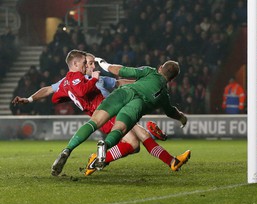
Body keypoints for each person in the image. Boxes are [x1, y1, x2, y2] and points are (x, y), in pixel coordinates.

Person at [12, 50, 169, 176]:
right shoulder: (83, 80)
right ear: (83, 64)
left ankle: (99, 158)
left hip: (115, 110)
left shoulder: (89, 79)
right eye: (90, 63)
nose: (94, 66)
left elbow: (119, 82)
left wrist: (143, 84)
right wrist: (30, 98)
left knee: (135, 144)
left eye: (94, 63)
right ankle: (167, 156)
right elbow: (51, 89)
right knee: (135, 142)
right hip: (108, 113)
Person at [51, 57, 190, 176]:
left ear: (160, 68)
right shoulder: (164, 96)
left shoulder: (150, 71)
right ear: (173, 79)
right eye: (90, 63)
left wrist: (103, 63)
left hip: (122, 95)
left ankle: (68, 150)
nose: (92, 65)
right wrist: (182, 118)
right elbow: (171, 111)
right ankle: (104, 148)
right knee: (127, 134)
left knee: (96, 124)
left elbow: (120, 71)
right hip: (136, 105)